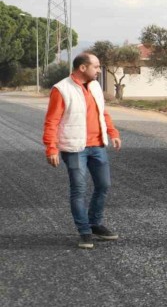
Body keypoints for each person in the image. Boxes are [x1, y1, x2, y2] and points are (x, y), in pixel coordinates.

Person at [42, 52, 122, 249]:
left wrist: (112, 132)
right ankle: (84, 231)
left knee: (103, 185)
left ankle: (95, 223)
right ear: (83, 68)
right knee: (79, 189)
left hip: (97, 145)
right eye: (96, 66)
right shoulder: (61, 89)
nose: (99, 70)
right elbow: (51, 121)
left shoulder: (95, 86)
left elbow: (103, 112)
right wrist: (51, 148)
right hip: (75, 147)